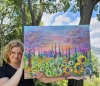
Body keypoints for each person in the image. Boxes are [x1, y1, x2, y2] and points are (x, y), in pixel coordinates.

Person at [0, 39, 84, 86]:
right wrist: (22, 67)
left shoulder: (29, 67)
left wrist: (68, 76)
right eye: (13, 52)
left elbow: (44, 79)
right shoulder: (2, 70)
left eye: (19, 53)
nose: (16, 56)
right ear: (8, 53)